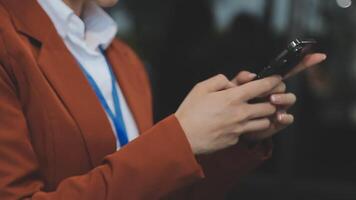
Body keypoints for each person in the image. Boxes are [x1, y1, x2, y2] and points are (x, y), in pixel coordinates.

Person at [0, 0, 326, 199]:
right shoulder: (8, 39)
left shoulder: (123, 59)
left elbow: (154, 188)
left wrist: (237, 136)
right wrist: (180, 139)